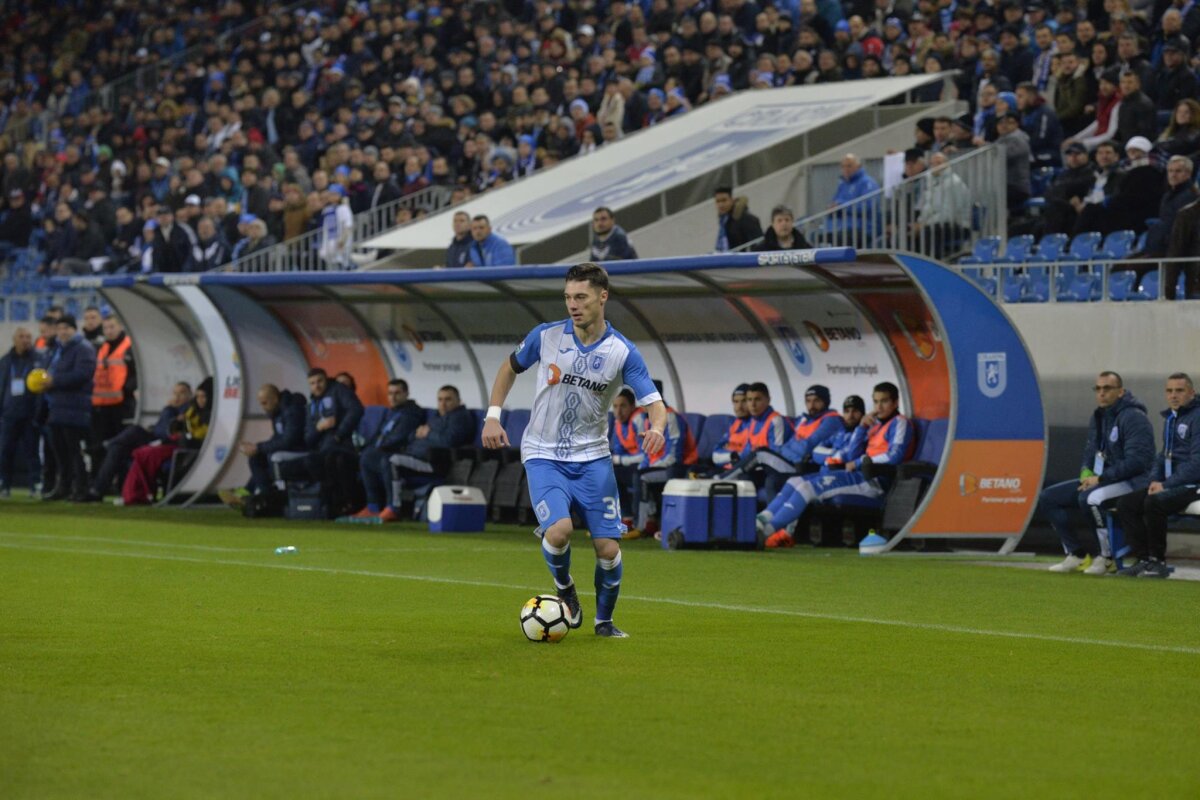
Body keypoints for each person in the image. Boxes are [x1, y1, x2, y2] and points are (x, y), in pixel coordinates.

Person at [481, 262, 667, 638]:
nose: (572, 304)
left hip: (593, 457)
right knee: (560, 531)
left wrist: (658, 427)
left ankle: (604, 622)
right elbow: (508, 367)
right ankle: (565, 589)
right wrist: (492, 415)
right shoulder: (545, 336)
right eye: (568, 297)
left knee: (608, 549)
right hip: (542, 453)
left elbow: (653, 401)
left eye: (580, 297)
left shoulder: (622, 352)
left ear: (603, 296)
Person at [756, 382, 912, 548]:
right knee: (794, 482)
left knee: (807, 488)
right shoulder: (874, 425)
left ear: (895, 403)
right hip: (857, 475)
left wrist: (859, 462)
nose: (879, 407)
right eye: (876, 402)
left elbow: (894, 456)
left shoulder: (900, 422)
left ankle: (765, 533)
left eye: (884, 401)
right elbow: (851, 454)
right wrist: (861, 428)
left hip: (873, 480)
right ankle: (761, 520)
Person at [1040, 371, 1155, 574]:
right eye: (1098, 389)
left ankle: (1107, 557)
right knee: (1048, 497)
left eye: (1107, 388)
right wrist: (1086, 475)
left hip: (1132, 481)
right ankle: (1076, 554)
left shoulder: (1134, 418)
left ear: (1121, 392)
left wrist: (1100, 478)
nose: (1101, 393)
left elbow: (1138, 462)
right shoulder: (1099, 416)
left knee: (1090, 499)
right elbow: (1091, 451)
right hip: (1103, 478)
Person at [1115, 373, 1200, 578]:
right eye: (1169, 391)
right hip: (1170, 484)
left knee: (1154, 502)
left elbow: (1197, 463)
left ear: (1192, 392)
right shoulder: (1171, 418)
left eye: (1179, 390)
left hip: (1192, 485)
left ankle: (1157, 561)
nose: (1173, 395)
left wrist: (1167, 484)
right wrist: (1154, 480)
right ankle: (1143, 559)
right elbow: (1162, 456)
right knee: (1127, 503)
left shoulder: (1197, 417)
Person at [84, 381, 192, 502]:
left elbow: (166, 431)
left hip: (164, 444)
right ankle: (96, 491)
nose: (177, 397)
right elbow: (160, 427)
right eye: (175, 393)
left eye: (182, 393)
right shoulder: (172, 410)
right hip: (154, 439)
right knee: (117, 449)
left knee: (134, 431)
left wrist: (169, 409)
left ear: (189, 396)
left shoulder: (185, 410)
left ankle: (105, 446)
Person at [727, 384, 841, 489]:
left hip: (808, 467)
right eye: (808, 401)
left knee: (762, 457)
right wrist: (792, 449)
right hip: (793, 462)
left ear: (825, 402)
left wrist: (791, 449)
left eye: (817, 401)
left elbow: (807, 446)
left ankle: (724, 478)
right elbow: (789, 446)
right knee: (746, 477)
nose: (811, 405)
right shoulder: (804, 420)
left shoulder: (831, 420)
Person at [387, 384, 474, 517]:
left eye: (448, 399)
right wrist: (417, 433)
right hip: (412, 455)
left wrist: (428, 433)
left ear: (458, 400)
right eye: (440, 400)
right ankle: (376, 505)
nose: (443, 404)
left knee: (390, 461)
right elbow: (413, 436)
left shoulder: (460, 417)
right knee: (375, 460)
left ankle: (395, 507)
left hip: (432, 462)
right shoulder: (436, 417)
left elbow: (448, 441)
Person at [121, 378, 211, 506]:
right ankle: (136, 494)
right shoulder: (186, 410)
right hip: (175, 443)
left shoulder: (198, 412)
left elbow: (199, 433)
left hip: (187, 447)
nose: (201, 400)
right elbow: (164, 430)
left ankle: (138, 494)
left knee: (143, 453)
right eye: (198, 396)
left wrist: (183, 428)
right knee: (140, 452)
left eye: (204, 396)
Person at [289, 368, 365, 516]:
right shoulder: (312, 406)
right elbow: (308, 439)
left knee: (336, 459)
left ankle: (350, 503)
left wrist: (339, 433)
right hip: (323, 449)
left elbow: (356, 409)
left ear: (326, 379)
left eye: (319, 381)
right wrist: (319, 428)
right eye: (312, 383)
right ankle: (330, 502)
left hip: (345, 446)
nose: (316, 386)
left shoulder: (338, 390)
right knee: (310, 461)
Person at [346, 379, 424, 520]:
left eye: (397, 393)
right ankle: (372, 506)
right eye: (390, 393)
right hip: (385, 452)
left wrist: (377, 448)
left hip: (401, 454)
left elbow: (399, 437)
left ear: (406, 393)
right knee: (365, 457)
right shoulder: (391, 412)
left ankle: (392, 507)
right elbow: (379, 435)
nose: (393, 397)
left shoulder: (411, 413)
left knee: (384, 460)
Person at [41, 314, 97, 501]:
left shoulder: (83, 348)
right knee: (60, 451)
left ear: (74, 329)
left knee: (74, 451)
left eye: (67, 328)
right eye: (60, 328)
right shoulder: (59, 349)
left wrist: (53, 381)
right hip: (57, 406)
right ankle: (63, 487)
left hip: (75, 408)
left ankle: (80, 488)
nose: (63, 332)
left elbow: (83, 374)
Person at [226, 384, 306, 502]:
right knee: (257, 457)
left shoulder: (292, 410)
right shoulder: (278, 412)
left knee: (261, 458)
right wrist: (256, 447)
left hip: (301, 448)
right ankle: (253, 493)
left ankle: (266, 498)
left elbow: (290, 440)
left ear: (274, 399)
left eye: (264, 403)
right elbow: (277, 438)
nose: (263, 407)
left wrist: (258, 447)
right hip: (290, 448)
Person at [89, 315, 137, 482]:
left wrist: (126, 389)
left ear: (121, 327)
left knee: (121, 447)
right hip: (101, 406)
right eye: (106, 328)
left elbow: (137, 374)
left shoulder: (130, 347)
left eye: (112, 327)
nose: (109, 331)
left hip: (122, 406)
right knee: (98, 447)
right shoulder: (100, 348)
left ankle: (123, 484)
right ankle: (99, 484)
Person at [0, 328, 40, 496]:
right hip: (9, 414)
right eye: (22, 337)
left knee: (32, 451)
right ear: (14, 339)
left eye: (28, 336)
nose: (25, 340)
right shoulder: (6, 361)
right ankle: (4, 484)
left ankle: (35, 484)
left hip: (30, 414)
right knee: (5, 451)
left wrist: (38, 412)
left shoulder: (38, 359)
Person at [914, 152, 973, 259]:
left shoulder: (954, 183)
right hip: (936, 223)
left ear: (947, 164)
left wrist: (925, 224)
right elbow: (927, 208)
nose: (935, 166)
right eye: (933, 163)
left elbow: (948, 214)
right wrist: (920, 222)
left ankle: (933, 266)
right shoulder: (931, 183)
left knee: (929, 231)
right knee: (908, 234)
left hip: (958, 225)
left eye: (939, 163)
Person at [823, 154, 879, 246]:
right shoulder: (842, 185)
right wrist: (832, 208)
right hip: (841, 228)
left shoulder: (867, 183)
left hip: (862, 228)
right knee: (816, 236)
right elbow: (834, 203)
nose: (845, 169)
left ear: (859, 166)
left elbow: (867, 206)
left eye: (849, 166)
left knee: (840, 238)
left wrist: (841, 206)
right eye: (843, 166)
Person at [609, 388, 643, 515]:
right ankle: (620, 517)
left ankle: (633, 518)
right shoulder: (618, 423)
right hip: (631, 465)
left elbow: (647, 457)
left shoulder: (639, 420)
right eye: (615, 406)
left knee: (616, 475)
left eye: (623, 406)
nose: (618, 411)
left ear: (633, 406)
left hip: (645, 465)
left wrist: (619, 460)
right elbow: (617, 451)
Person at [995, 111, 1032, 209]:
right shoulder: (1002, 139)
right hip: (1008, 185)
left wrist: (984, 146)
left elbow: (1002, 156)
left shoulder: (1017, 138)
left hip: (1016, 187)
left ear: (1017, 124)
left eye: (1008, 123)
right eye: (1000, 123)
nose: (1004, 126)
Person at [711, 383, 752, 470]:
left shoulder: (757, 425)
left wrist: (729, 450)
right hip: (726, 469)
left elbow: (748, 456)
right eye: (736, 402)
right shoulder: (735, 424)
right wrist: (734, 455)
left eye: (744, 401)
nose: (739, 407)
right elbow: (715, 455)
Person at [713, 186, 762, 252]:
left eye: (724, 200)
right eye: (718, 201)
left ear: (732, 200)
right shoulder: (724, 221)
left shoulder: (746, 219)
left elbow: (758, 244)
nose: (721, 205)